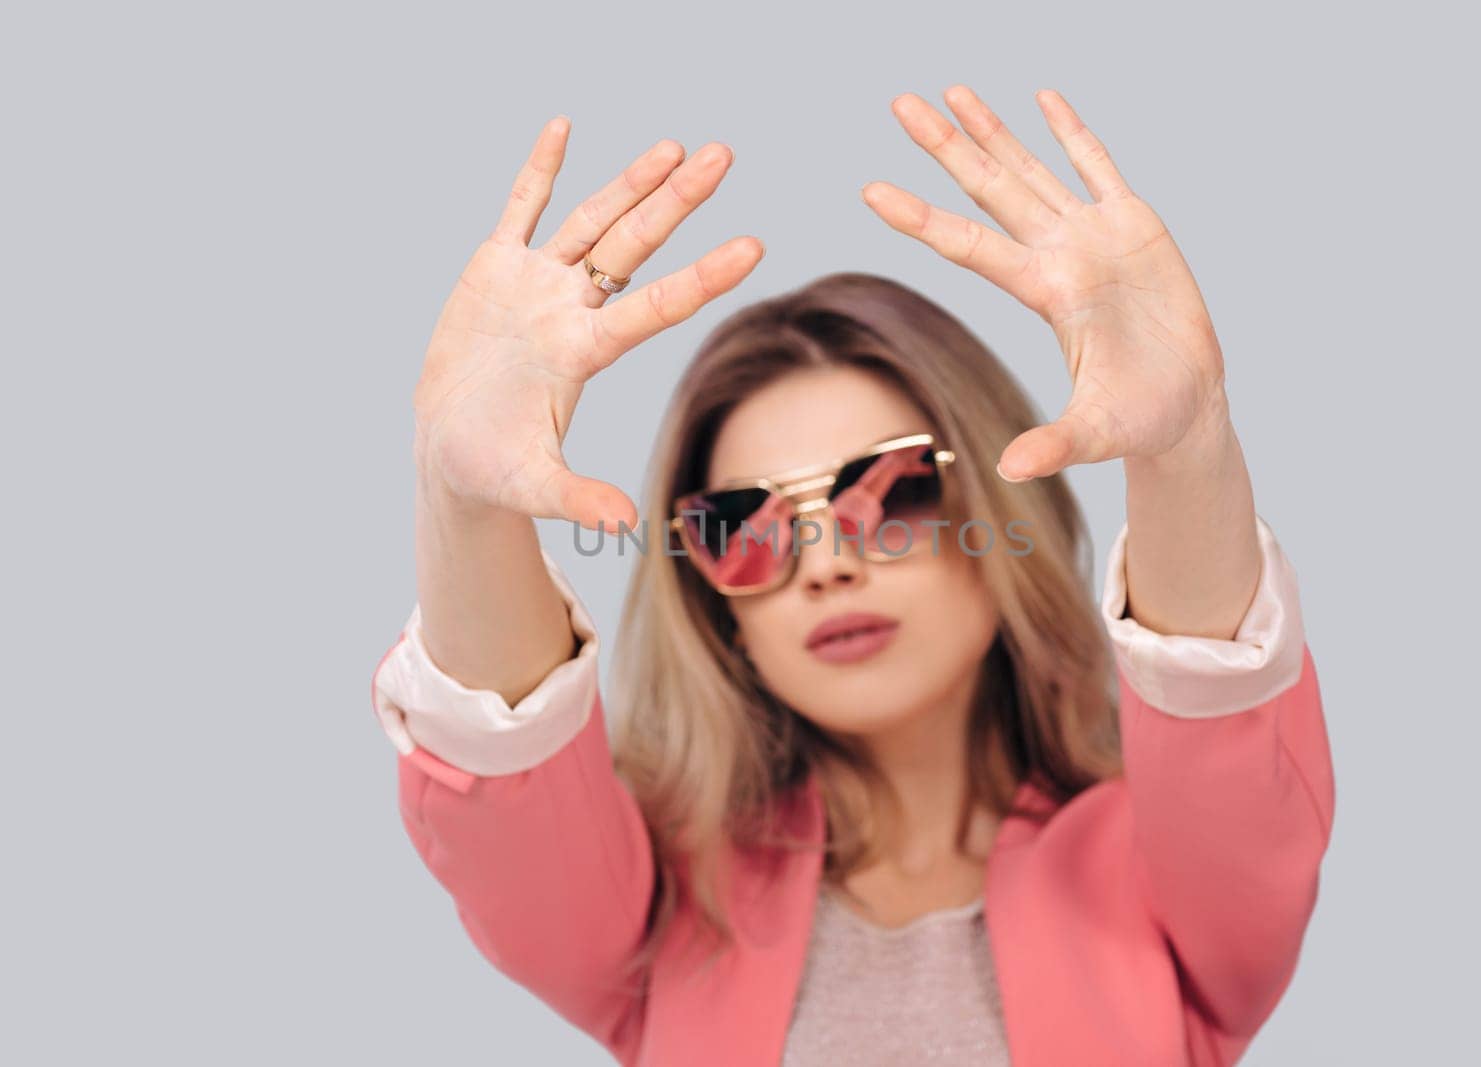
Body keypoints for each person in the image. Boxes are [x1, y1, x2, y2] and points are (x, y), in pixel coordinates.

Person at [369, 86, 1334, 1067]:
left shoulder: (1161, 878)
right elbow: (507, 770)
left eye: (892, 490)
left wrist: (1184, 447)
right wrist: (463, 496)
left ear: (997, 520)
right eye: (740, 525)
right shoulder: (662, 904)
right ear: (713, 605)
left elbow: (1221, 722)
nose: (826, 562)